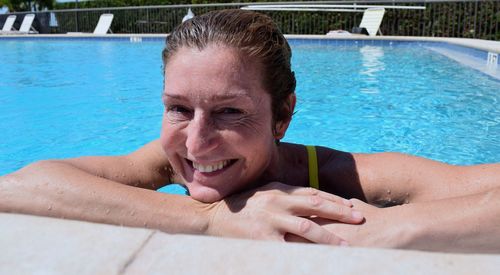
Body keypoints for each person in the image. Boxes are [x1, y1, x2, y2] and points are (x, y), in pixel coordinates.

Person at [1, 9, 499, 253]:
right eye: (178, 108)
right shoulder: (163, 160)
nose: (196, 143)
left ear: (283, 116)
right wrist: (208, 219)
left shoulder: (341, 175)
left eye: (229, 113)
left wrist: (388, 227)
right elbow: (23, 185)